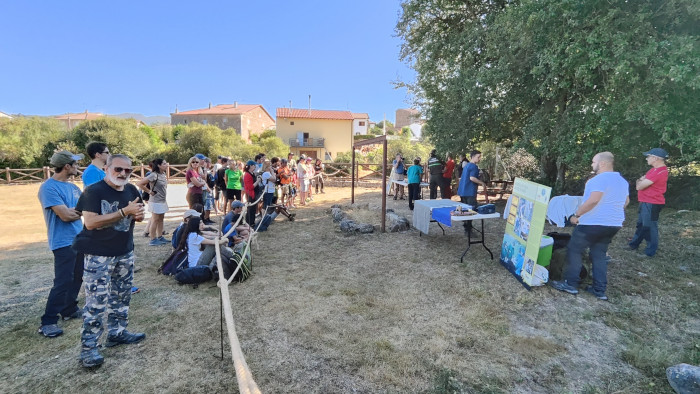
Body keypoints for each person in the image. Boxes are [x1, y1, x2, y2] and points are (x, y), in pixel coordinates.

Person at [72, 154, 146, 368]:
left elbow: (138, 214)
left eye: (128, 171)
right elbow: (91, 222)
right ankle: (89, 349)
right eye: (118, 169)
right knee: (96, 302)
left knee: (122, 296)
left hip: (124, 251)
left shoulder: (131, 190)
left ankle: (117, 333)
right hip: (98, 255)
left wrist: (138, 215)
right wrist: (124, 211)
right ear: (107, 168)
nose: (123, 174)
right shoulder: (93, 191)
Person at [550, 152, 629, 301]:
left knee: (574, 250)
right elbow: (626, 202)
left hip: (592, 223)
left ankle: (570, 284)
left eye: (594, 162)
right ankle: (599, 290)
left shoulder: (598, 180)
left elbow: (593, 201)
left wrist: (576, 215)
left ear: (603, 163)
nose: (592, 165)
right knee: (598, 255)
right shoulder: (622, 181)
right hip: (613, 224)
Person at [37, 150, 85, 338]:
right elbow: (65, 216)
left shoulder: (73, 188)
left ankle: (69, 309)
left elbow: (84, 210)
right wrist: (75, 211)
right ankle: (48, 321)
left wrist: (75, 211)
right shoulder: (49, 188)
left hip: (79, 238)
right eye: (75, 164)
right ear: (67, 166)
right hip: (62, 242)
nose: (78, 167)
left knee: (77, 276)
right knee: (63, 281)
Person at [627, 148, 669, 257]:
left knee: (650, 227)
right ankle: (633, 244)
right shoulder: (653, 170)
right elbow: (639, 184)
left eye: (648, 156)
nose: (647, 159)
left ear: (655, 158)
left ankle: (650, 252)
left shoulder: (660, 171)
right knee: (641, 225)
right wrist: (639, 182)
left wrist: (639, 182)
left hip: (652, 202)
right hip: (645, 201)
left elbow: (639, 186)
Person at [137, 158, 169, 246]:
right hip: (155, 201)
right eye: (164, 164)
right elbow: (139, 183)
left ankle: (160, 237)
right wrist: (149, 191)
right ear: (159, 165)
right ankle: (153, 239)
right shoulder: (153, 175)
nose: (166, 165)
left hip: (162, 200)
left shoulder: (163, 174)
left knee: (161, 219)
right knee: (155, 220)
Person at [457, 150, 486, 234]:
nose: (480, 158)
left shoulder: (467, 166)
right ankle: (468, 230)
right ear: (473, 157)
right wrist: (482, 183)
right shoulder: (474, 166)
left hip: (462, 191)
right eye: (478, 157)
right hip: (469, 191)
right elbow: (472, 178)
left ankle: (466, 227)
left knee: (465, 210)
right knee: (470, 210)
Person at [243, 160, 260, 226]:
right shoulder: (247, 175)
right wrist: (258, 181)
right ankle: (249, 223)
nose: (255, 167)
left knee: (253, 209)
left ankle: (252, 222)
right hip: (250, 194)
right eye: (253, 165)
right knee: (251, 209)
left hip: (254, 194)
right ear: (250, 166)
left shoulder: (252, 173)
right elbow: (250, 187)